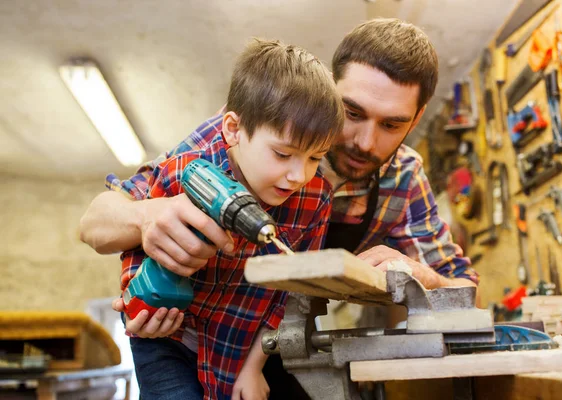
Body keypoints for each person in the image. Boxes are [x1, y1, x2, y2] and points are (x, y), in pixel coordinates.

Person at [80, 18, 480, 398]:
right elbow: (97, 222)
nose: (363, 141)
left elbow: (465, 293)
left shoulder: (402, 180)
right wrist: (144, 216)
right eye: (351, 113)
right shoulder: (245, 132)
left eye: (391, 125)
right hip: (185, 330)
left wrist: (423, 276)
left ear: (416, 119)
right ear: (329, 88)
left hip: (266, 336)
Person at [114, 38, 345, 400]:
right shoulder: (188, 170)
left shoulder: (315, 199)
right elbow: (137, 246)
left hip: (237, 344)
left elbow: (290, 294)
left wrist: (254, 367)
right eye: (283, 153)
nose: (299, 175)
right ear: (234, 130)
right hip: (167, 338)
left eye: (316, 157)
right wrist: (139, 305)